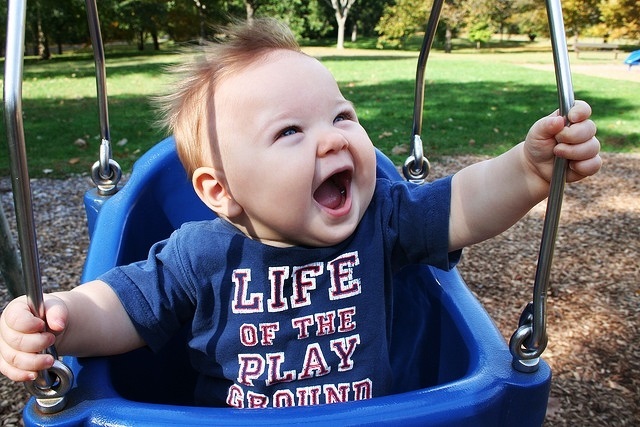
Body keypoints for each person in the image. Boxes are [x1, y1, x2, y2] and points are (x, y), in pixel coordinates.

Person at [0, 19, 601, 408]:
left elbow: (465, 204)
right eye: (290, 131)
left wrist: (526, 169)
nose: (334, 139)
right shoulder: (199, 254)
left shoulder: (382, 221)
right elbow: (121, 308)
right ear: (221, 191)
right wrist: (57, 319)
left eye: (342, 116)